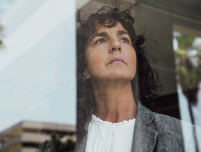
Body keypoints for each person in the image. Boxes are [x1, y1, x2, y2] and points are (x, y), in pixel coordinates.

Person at [75, 6, 200, 152]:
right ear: (84, 68)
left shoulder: (190, 138)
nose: (116, 45)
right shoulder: (62, 142)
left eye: (124, 39)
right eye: (101, 40)